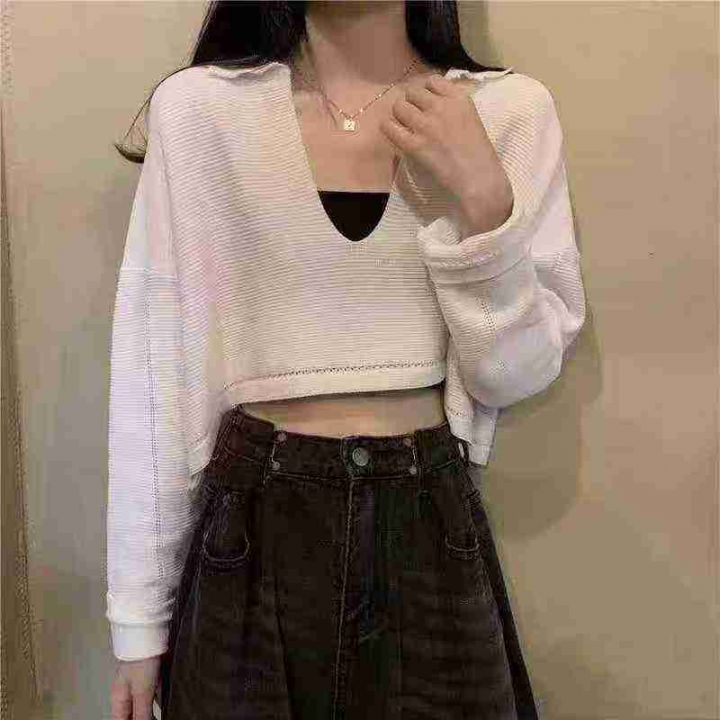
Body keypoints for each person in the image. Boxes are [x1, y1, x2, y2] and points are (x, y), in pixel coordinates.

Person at [106, 1, 586, 718]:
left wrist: (486, 204)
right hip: (251, 527)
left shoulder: (509, 111)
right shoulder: (201, 111)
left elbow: (513, 374)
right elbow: (155, 376)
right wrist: (140, 622)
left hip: (427, 519)